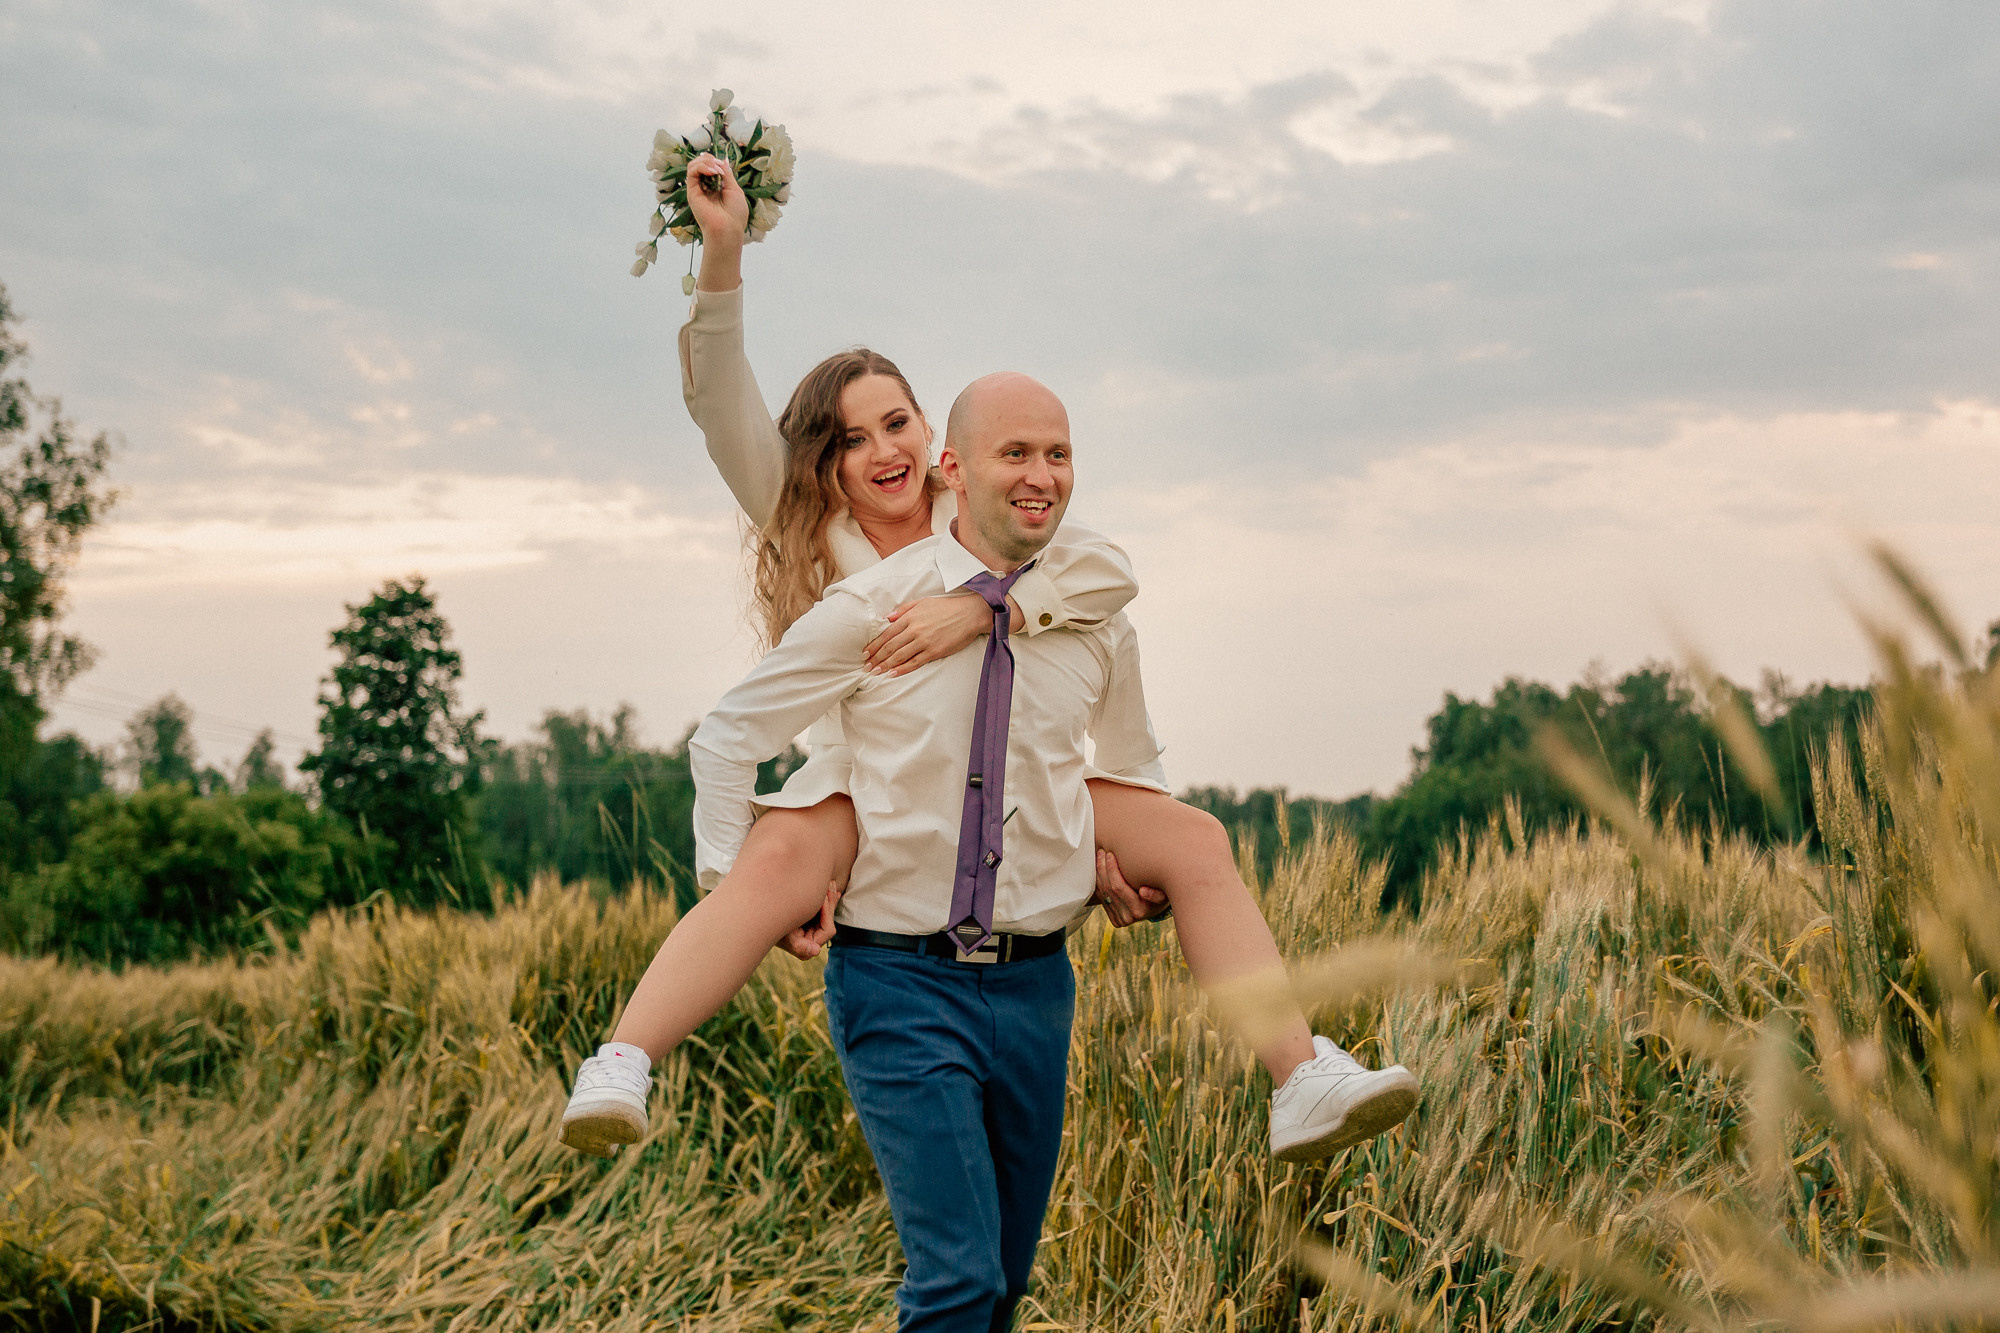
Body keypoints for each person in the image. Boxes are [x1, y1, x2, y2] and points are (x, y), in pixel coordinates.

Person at [558, 153, 1418, 1169]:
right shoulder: (814, 539)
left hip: (1021, 775)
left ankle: (1300, 1073)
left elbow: (1103, 568)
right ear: (814, 463)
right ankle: (623, 1060)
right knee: (777, 856)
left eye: (896, 423)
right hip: (883, 785)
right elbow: (717, 404)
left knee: (1191, 841)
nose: (879, 450)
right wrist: (723, 253)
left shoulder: (980, 512)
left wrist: (978, 613)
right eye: (846, 439)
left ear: (935, 438)